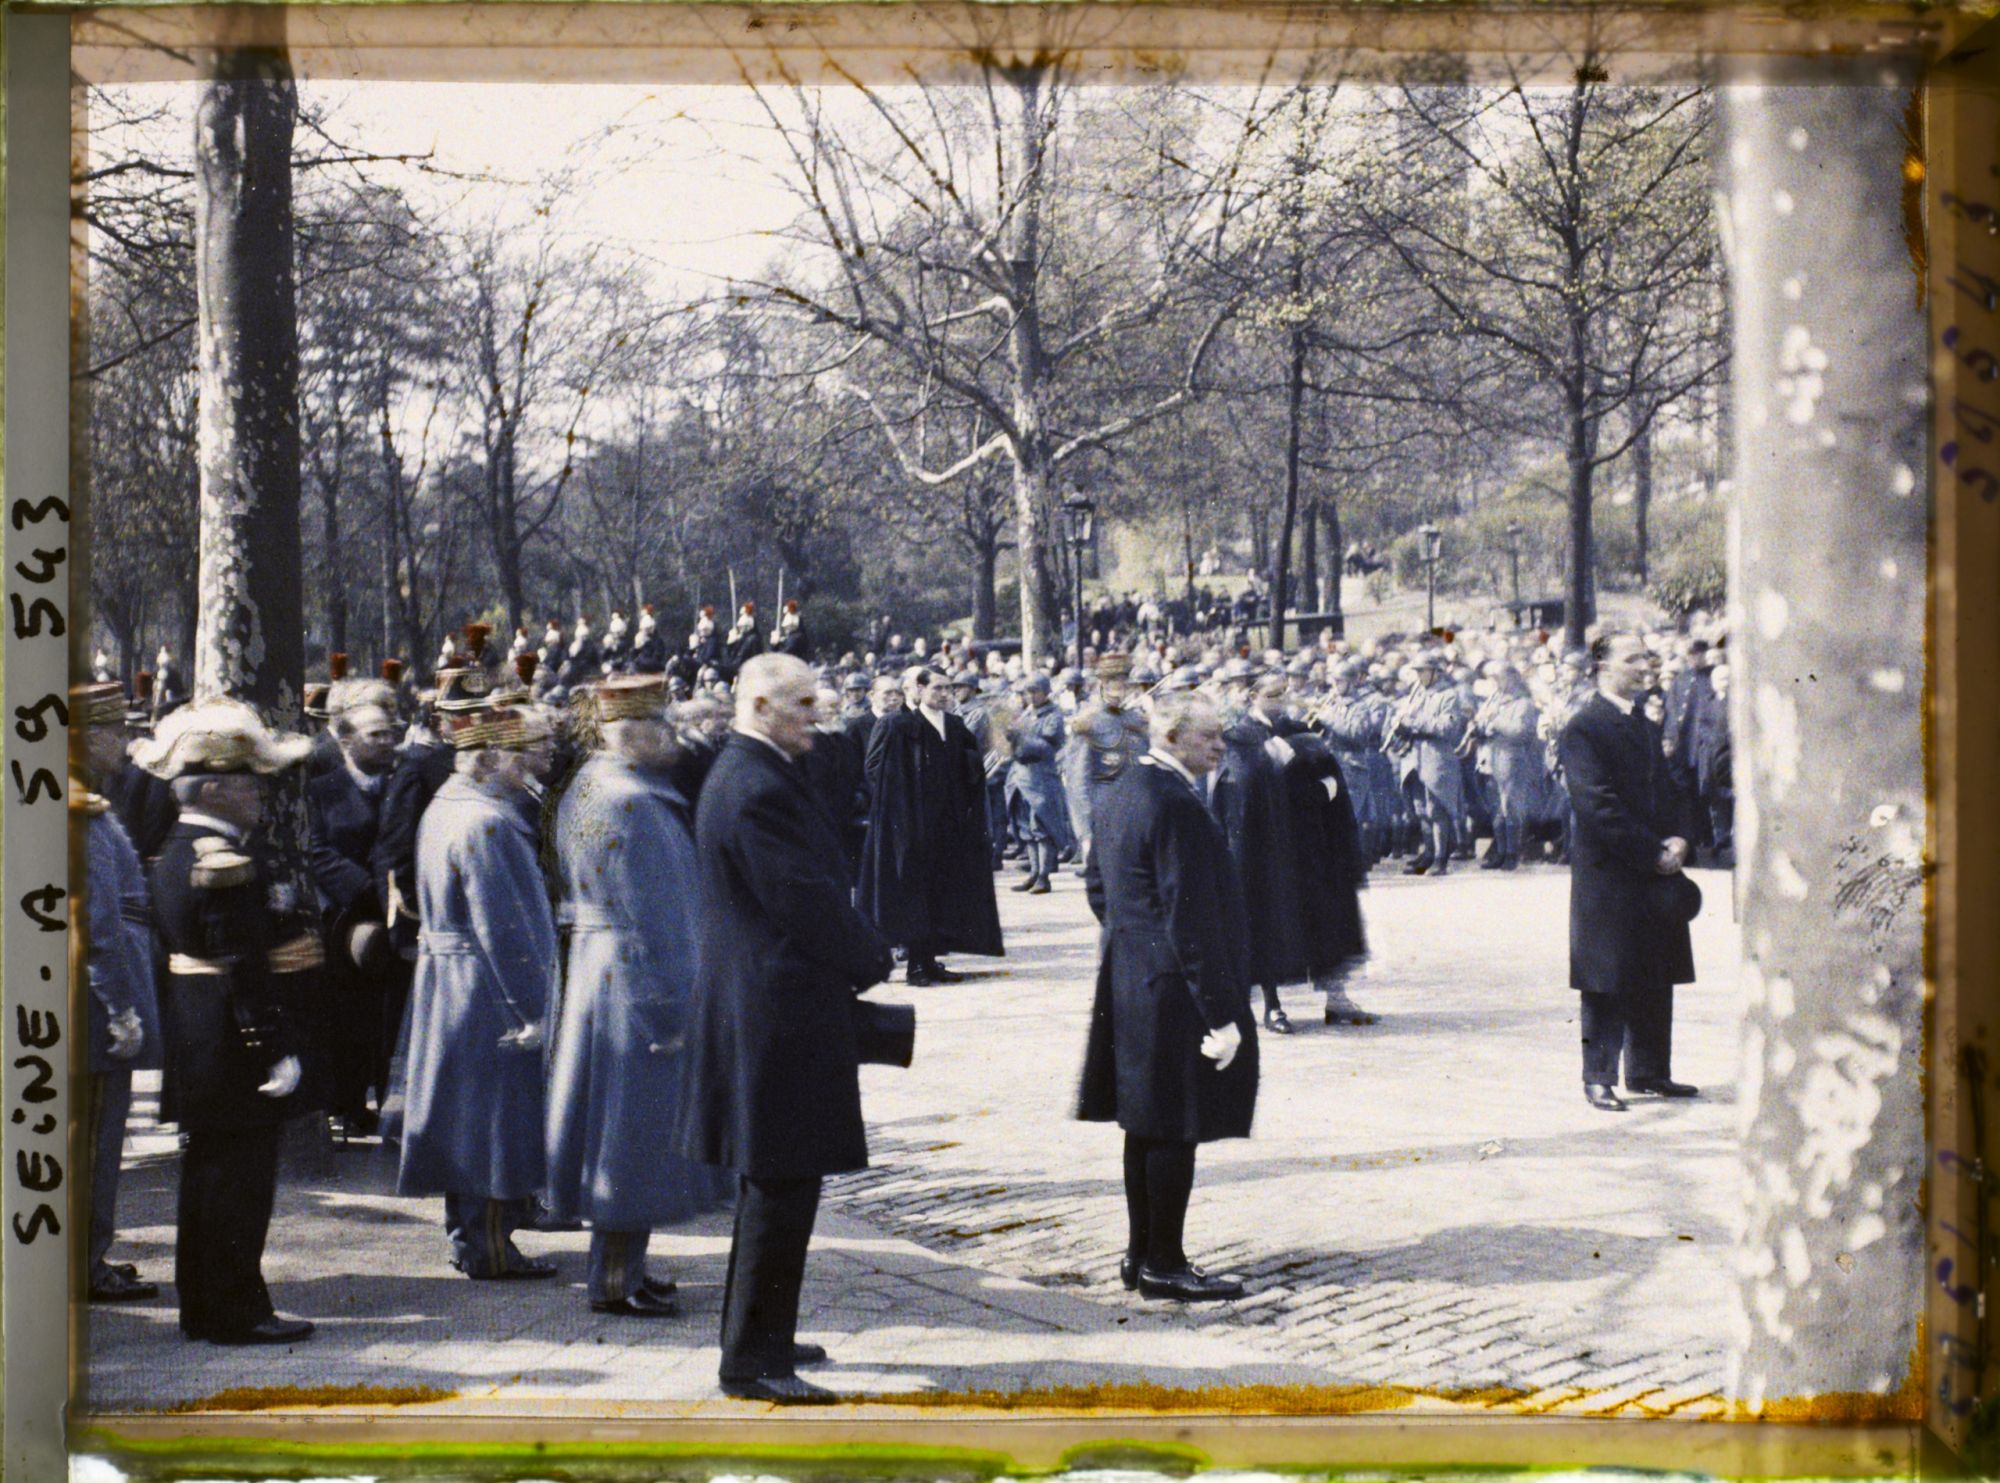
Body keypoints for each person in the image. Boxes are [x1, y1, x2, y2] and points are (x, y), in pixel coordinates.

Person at [674, 654, 897, 1404]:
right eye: (802, 702)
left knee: (779, 1184)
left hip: (772, 1009)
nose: (816, 714)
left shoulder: (753, 772)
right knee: (779, 1185)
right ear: (761, 703)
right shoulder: (755, 786)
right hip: (774, 1016)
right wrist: (871, 955)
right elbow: (803, 898)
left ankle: (765, 1332)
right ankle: (752, 1359)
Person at [548, 677, 736, 1317]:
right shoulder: (631, 800)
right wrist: (670, 1011)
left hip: (605, 976)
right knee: (631, 1137)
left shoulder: (595, 786)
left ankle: (624, 1265)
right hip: (636, 986)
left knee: (621, 1134)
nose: (671, 739)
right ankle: (615, 1277)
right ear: (627, 733)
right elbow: (652, 917)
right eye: (658, 727)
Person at [133, 697, 318, 1344]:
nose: (259, 793)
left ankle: (205, 1304)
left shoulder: (176, 847)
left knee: (208, 1173)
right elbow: (243, 964)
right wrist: (272, 1045)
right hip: (231, 1037)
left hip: (198, 1030)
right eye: (247, 781)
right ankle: (238, 1308)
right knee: (239, 1179)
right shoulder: (220, 859)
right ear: (213, 784)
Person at [1078, 690, 1258, 1301]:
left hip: (1131, 978)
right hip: (1177, 987)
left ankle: (1140, 1255)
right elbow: (1190, 915)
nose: (1220, 746)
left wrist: (1134, 942)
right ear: (1174, 737)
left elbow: (1098, 888)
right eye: (1209, 736)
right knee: (1176, 1126)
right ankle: (1165, 1262)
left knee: (1144, 1123)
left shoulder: (1121, 790)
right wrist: (1222, 1012)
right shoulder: (1175, 802)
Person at [399, 700, 562, 1278]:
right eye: (527, 751)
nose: (539, 761)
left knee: (468, 1117)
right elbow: (507, 927)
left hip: (454, 980)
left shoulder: (451, 803)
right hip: (488, 990)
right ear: (491, 756)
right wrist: (534, 1010)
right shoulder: (488, 821)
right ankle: (489, 1244)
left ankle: (474, 1235)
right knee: (494, 1120)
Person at [1558, 631, 1699, 1112]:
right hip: (1611, 875)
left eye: (1647, 656)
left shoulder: (1640, 723)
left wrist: (1680, 837)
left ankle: (1649, 1071)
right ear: (1602, 666)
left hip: (1652, 868)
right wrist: (1653, 852)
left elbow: (1670, 788)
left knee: (1655, 969)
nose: (1646, 665)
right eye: (1633, 658)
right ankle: (1598, 1077)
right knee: (1607, 977)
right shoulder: (1584, 727)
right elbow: (1598, 808)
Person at [76, 682, 165, 1304]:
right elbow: (99, 926)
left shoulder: (89, 807)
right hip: (96, 1008)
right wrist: (121, 1007)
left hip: (98, 996)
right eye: (112, 731)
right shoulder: (78, 815)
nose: (123, 743)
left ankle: (91, 1253)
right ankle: (84, 1263)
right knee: (94, 1142)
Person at [859, 666, 1004, 985]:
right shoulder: (900, 726)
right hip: (912, 826)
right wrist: (901, 823)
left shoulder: (954, 725)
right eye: (937, 688)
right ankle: (916, 967)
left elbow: (970, 770)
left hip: (948, 826)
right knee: (915, 895)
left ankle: (931, 960)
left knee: (941, 893)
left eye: (948, 688)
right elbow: (883, 775)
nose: (944, 694)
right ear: (920, 690)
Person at [305, 692, 407, 1137]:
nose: (387, 742)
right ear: (346, 740)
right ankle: (345, 1103)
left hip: (399, 916)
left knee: (390, 1016)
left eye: (390, 733)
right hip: (345, 918)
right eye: (375, 735)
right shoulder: (322, 791)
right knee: (347, 1016)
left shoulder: (403, 783)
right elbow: (315, 849)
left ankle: (388, 1106)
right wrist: (366, 889)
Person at [1004, 674, 1072, 894]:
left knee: (1041, 825)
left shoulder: (1053, 716)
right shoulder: (1027, 714)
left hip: (1041, 776)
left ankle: (1044, 875)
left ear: (1046, 692)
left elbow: (1048, 745)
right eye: (1028, 692)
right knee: (1025, 828)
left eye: (1035, 691)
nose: (1031, 696)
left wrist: (1021, 737)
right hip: (1021, 776)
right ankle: (1033, 872)